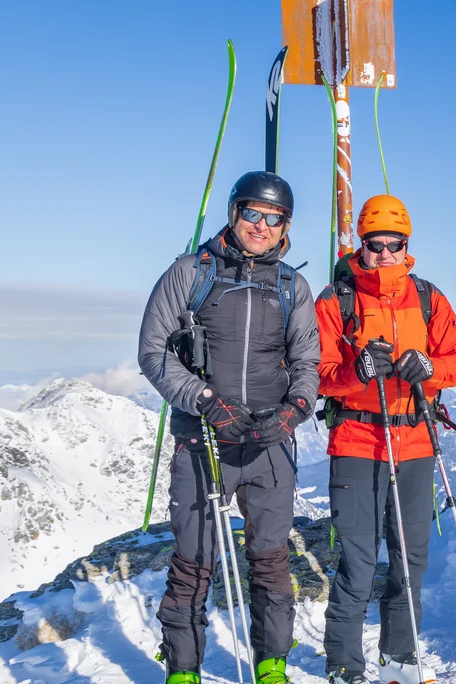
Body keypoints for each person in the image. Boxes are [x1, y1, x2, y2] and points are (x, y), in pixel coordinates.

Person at [138, 171, 321, 684]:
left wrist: (295, 408)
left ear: (285, 225)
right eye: (252, 213)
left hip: (268, 441)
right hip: (203, 439)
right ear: (233, 212)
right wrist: (201, 399)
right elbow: (153, 352)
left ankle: (271, 662)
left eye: (273, 217)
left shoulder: (292, 286)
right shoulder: (190, 273)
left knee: (270, 558)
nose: (261, 225)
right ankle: (183, 668)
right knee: (194, 560)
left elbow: (307, 362)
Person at [315, 195, 456, 684]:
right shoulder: (335, 299)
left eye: (394, 244)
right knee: (358, 561)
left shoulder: (428, 297)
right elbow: (318, 373)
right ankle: (345, 666)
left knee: (412, 559)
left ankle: (399, 660)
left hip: (415, 440)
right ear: (360, 245)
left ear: (408, 245)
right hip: (357, 440)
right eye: (375, 244)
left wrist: (428, 369)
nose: (384, 254)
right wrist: (357, 373)